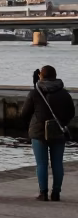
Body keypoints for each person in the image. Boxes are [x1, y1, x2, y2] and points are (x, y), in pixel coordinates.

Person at [21, 65, 75, 201]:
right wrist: (62, 122)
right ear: (55, 76)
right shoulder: (64, 94)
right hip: (58, 131)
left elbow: (24, 113)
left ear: (41, 76)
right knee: (57, 163)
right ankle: (56, 193)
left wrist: (32, 123)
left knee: (42, 163)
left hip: (39, 132)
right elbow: (71, 113)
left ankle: (43, 193)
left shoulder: (35, 93)